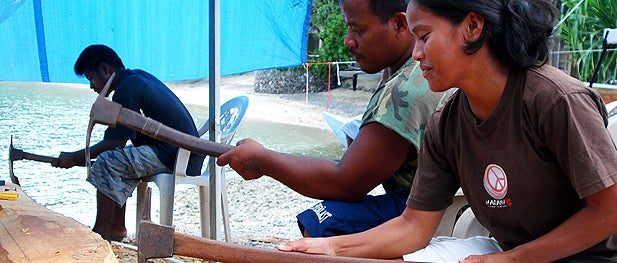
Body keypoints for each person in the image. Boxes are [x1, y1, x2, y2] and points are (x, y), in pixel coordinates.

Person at [277, 0, 617, 261]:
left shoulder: (555, 101)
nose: (416, 54)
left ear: (472, 27)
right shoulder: (447, 125)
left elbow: (616, 210)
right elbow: (413, 227)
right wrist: (333, 249)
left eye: (424, 36)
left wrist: (514, 260)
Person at [216, 0, 454, 237]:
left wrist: (264, 160)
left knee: (323, 221)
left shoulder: (404, 90)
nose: (348, 40)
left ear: (400, 24)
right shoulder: (409, 71)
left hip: (433, 210)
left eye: (358, 30)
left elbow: (346, 183)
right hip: (440, 200)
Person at [51, 44, 204, 242]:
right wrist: (79, 158)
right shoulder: (136, 77)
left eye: (91, 78)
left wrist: (74, 157)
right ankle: (116, 228)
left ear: (106, 69)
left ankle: (101, 235)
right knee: (113, 161)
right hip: (181, 153)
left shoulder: (127, 89)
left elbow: (115, 143)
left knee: (108, 162)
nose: (92, 86)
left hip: (176, 156)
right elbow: (117, 143)